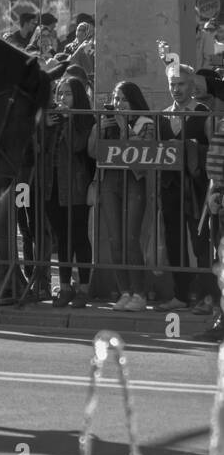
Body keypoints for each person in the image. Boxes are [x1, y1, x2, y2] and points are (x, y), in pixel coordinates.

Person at [88, 81, 156, 311]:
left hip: (134, 182)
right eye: (116, 99)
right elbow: (92, 151)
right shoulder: (108, 122)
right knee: (115, 240)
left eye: (123, 99)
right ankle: (124, 291)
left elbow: (144, 154)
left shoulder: (146, 123)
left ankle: (139, 293)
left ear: (134, 101)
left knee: (130, 239)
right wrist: (99, 128)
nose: (118, 104)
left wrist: (125, 128)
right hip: (110, 181)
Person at [158, 64, 213, 313]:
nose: (176, 89)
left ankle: (207, 296)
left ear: (191, 86)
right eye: (172, 84)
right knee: (173, 239)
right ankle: (180, 294)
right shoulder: (163, 115)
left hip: (198, 187)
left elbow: (213, 150)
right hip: (170, 187)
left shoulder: (203, 113)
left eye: (181, 84)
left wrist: (191, 149)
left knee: (201, 241)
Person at [40, 77, 94, 308]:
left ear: (78, 97)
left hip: (76, 186)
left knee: (79, 237)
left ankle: (84, 287)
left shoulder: (85, 120)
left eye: (68, 94)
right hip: (52, 186)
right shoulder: (52, 118)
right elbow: (38, 148)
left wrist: (68, 120)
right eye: (60, 94)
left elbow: (76, 145)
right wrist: (45, 127)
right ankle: (64, 286)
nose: (62, 99)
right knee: (61, 238)